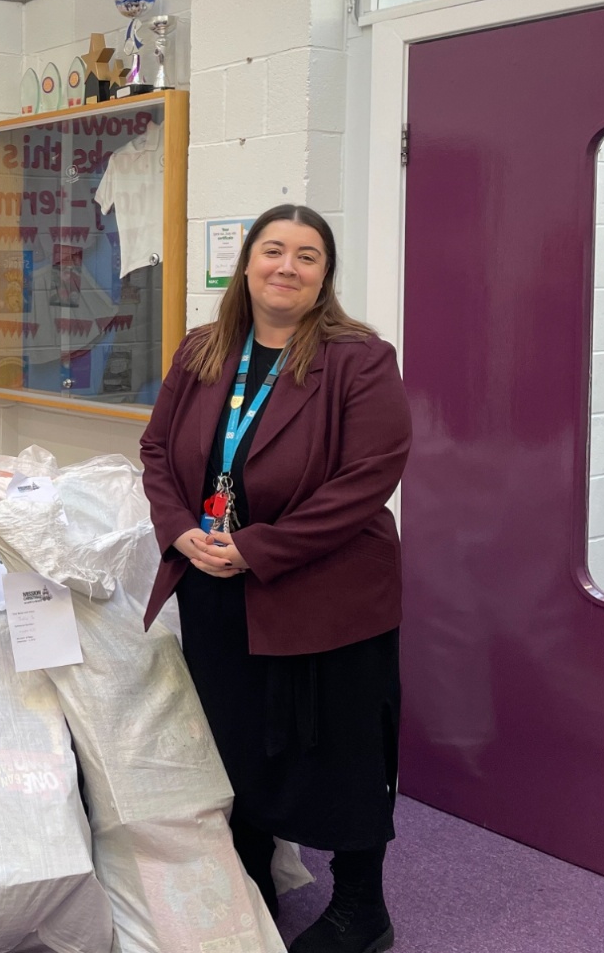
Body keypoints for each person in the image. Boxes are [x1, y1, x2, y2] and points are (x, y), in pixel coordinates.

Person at [139, 204, 411, 953]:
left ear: (325, 276)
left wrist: (259, 548)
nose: (286, 266)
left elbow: (368, 479)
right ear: (248, 263)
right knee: (237, 738)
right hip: (216, 583)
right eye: (273, 250)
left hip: (328, 590)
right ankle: (252, 877)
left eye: (307, 255)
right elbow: (157, 451)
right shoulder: (202, 350)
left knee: (344, 747)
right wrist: (179, 529)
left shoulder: (360, 359)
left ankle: (361, 908)